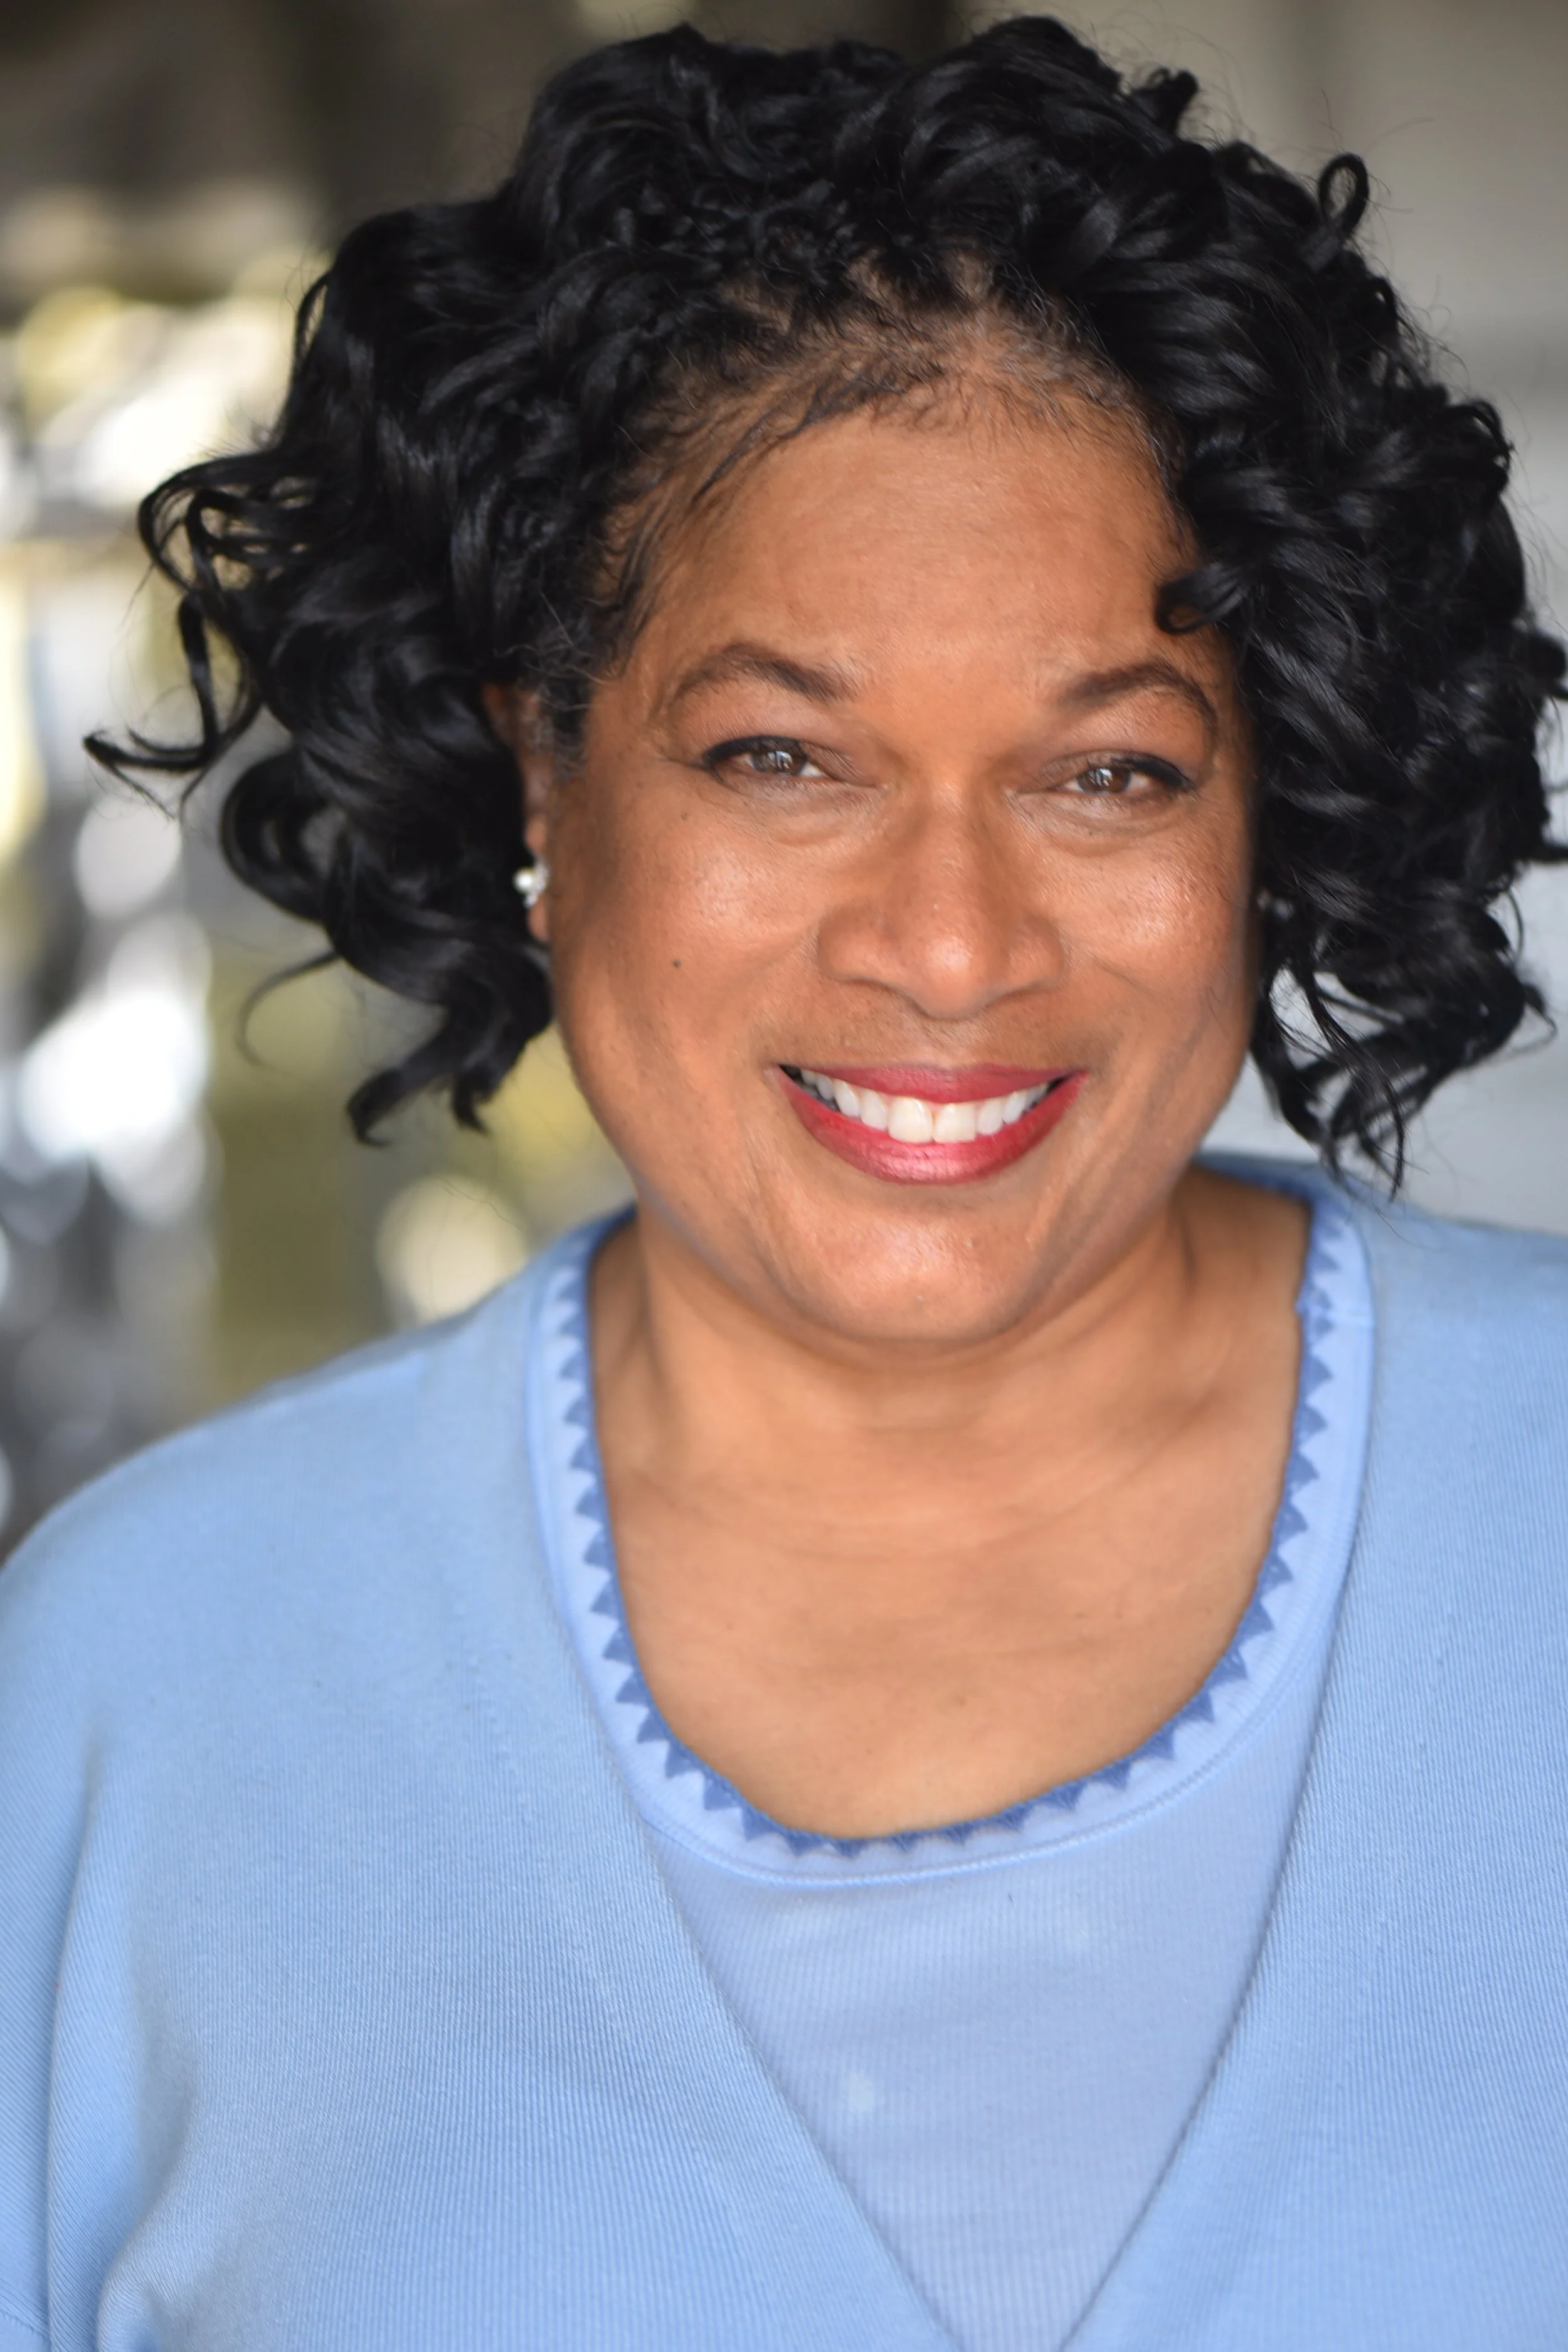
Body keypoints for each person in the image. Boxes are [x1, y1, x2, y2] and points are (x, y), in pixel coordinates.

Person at [3, 15, 1566, 2350]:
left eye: (1110, 776)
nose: (947, 944)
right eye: (778, 754)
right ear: (542, 761)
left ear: (1278, 808)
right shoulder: (138, 1680)